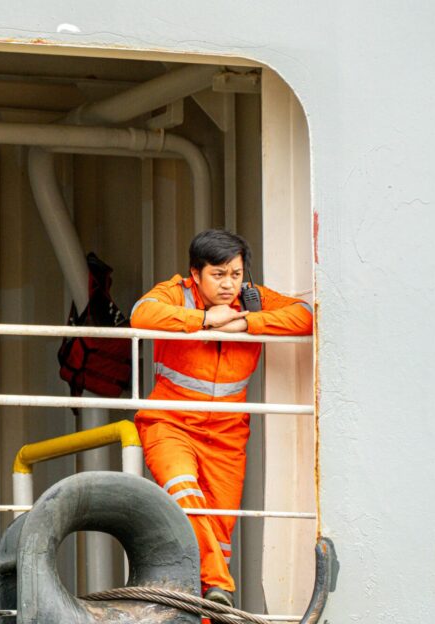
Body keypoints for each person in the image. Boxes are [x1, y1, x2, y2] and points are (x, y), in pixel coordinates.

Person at [130, 229, 313, 607]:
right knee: (184, 493)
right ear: (195, 274)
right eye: (218, 274)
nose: (229, 284)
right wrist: (203, 319)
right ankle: (220, 585)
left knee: (219, 532)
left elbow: (307, 315)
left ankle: (210, 605)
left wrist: (247, 324)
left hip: (228, 435)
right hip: (170, 423)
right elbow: (140, 314)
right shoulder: (175, 293)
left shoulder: (253, 299)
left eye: (235, 274)